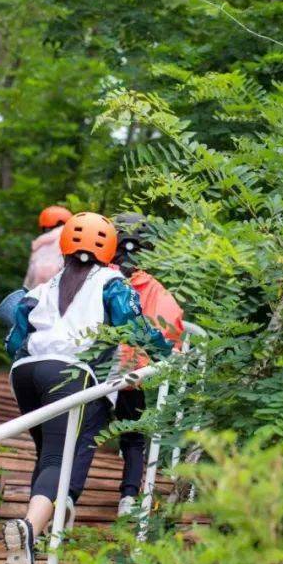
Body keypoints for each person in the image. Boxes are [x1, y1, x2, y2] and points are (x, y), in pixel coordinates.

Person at [0, 212, 172, 564]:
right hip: (69, 374)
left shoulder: (45, 287)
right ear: (109, 249)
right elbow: (135, 328)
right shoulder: (113, 283)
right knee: (59, 461)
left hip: (25, 375)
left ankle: (39, 533)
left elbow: (14, 341)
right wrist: (166, 352)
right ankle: (28, 527)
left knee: (48, 456)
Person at [110, 213, 185, 517]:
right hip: (132, 368)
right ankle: (129, 496)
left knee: (82, 431)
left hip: (95, 366)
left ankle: (68, 494)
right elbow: (170, 322)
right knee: (133, 436)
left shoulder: (100, 277)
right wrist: (171, 350)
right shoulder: (151, 286)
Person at [23, 205, 72, 289]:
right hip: (56, 288)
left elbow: (28, 280)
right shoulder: (68, 237)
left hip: (34, 292)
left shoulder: (39, 243)